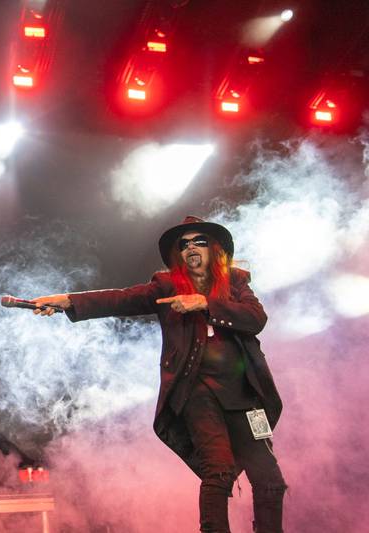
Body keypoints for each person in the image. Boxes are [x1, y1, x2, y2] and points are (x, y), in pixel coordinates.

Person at [32, 216, 286, 533]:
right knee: (218, 470)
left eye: (199, 241)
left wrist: (204, 303)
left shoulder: (236, 283)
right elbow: (120, 298)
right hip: (197, 391)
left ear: (215, 249)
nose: (191, 247)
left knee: (271, 480)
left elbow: (256, 318)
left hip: (244, 394)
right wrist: (68, 301)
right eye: (185, 244)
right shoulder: (167, 286)